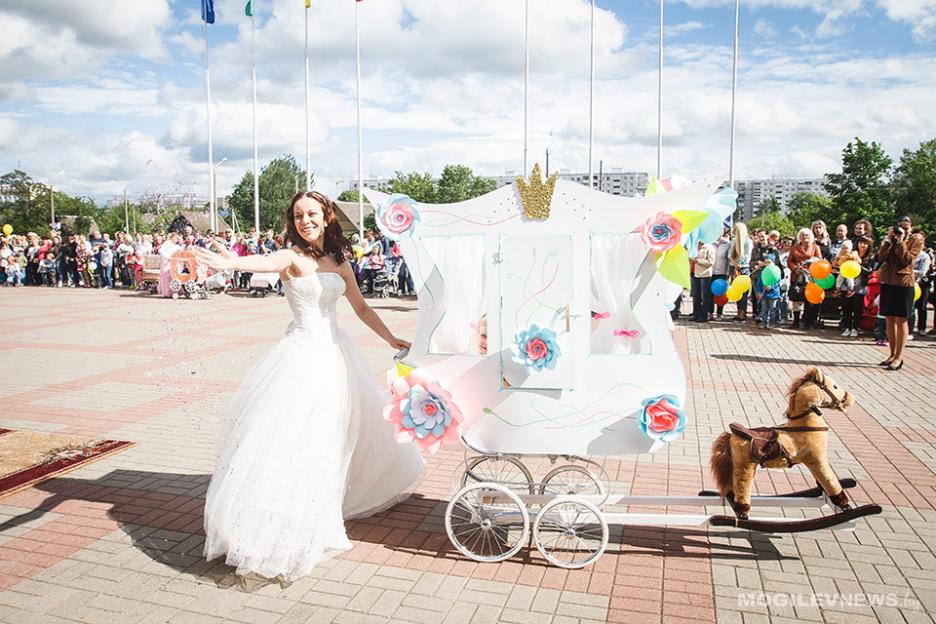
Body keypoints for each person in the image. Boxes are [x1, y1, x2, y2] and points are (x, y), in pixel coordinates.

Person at [193, 191, 425, 585]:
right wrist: (229, 261)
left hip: (337, 356)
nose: (306, 221)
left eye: (312, 214)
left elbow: (362, 308)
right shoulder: (292, 257)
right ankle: (287, 520)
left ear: (327, 216)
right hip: (301, 356)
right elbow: (264, 261)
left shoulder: (339, 260)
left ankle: (325, 505)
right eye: (299, 215)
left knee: (337, 436)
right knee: (299, 438)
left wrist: (389, 338)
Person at [877, 216, 924, 371]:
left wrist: (902, 240)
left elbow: (907, 259)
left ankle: (899, 357)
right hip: (888, 281)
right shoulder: (892, 240)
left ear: (911, 227)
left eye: (906, 227)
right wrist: (888, 241)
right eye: (900, 227)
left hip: (904, 283)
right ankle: (891, 354)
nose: (902, 229)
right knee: (889, 318)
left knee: (901, 320)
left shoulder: (916, 239)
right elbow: (881, 257)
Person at [787, 228, 822, 329]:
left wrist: (810, 264)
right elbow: (790, 261)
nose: (804, 237)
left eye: (807, 235)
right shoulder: (794, 248)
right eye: (802, 235)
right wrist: (795, 268)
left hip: (810, 277)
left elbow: (819, 260)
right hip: (797, 276)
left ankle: (807, 322)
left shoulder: (815, 247)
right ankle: (796, 321)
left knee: (809, 300)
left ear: (811, 236)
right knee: (796, 299)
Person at [728, 222, 752, 321]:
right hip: (735, 268)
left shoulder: (748, 241)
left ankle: (743, 312)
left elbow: (747, 256)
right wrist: (735, 264)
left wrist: (738, 264)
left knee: (743, 292)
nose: (733, 231)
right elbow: (729, 255)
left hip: (744, 268)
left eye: (735, 229)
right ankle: (738, 312)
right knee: (736, 291)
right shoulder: (733, 240)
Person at [910, 232, 930, 339]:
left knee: (920, 307)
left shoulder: (925, 257)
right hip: (907, 284)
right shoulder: (907, 254)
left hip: (920, 284)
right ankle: (908, 330)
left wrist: (906, 271)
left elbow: (922, 272)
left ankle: (918, 329)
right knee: (909, 308)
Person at [691, 241, 714, 322]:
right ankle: (696, 314)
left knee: (704, 296)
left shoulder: (709, 247)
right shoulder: (693, 244)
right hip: (694, 273)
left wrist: (698, 261)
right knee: (695, 296)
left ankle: (703, 316)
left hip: (704, 274)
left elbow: (710, 262)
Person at [711, 230, 731, 319]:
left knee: (720, 293)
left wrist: (727, 272)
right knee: (710, 293)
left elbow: (728, 259)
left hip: (722, 271)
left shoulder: (727, 244)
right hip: (711, 272)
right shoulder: (710, 243)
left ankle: (719, 312)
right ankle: (710, 312)